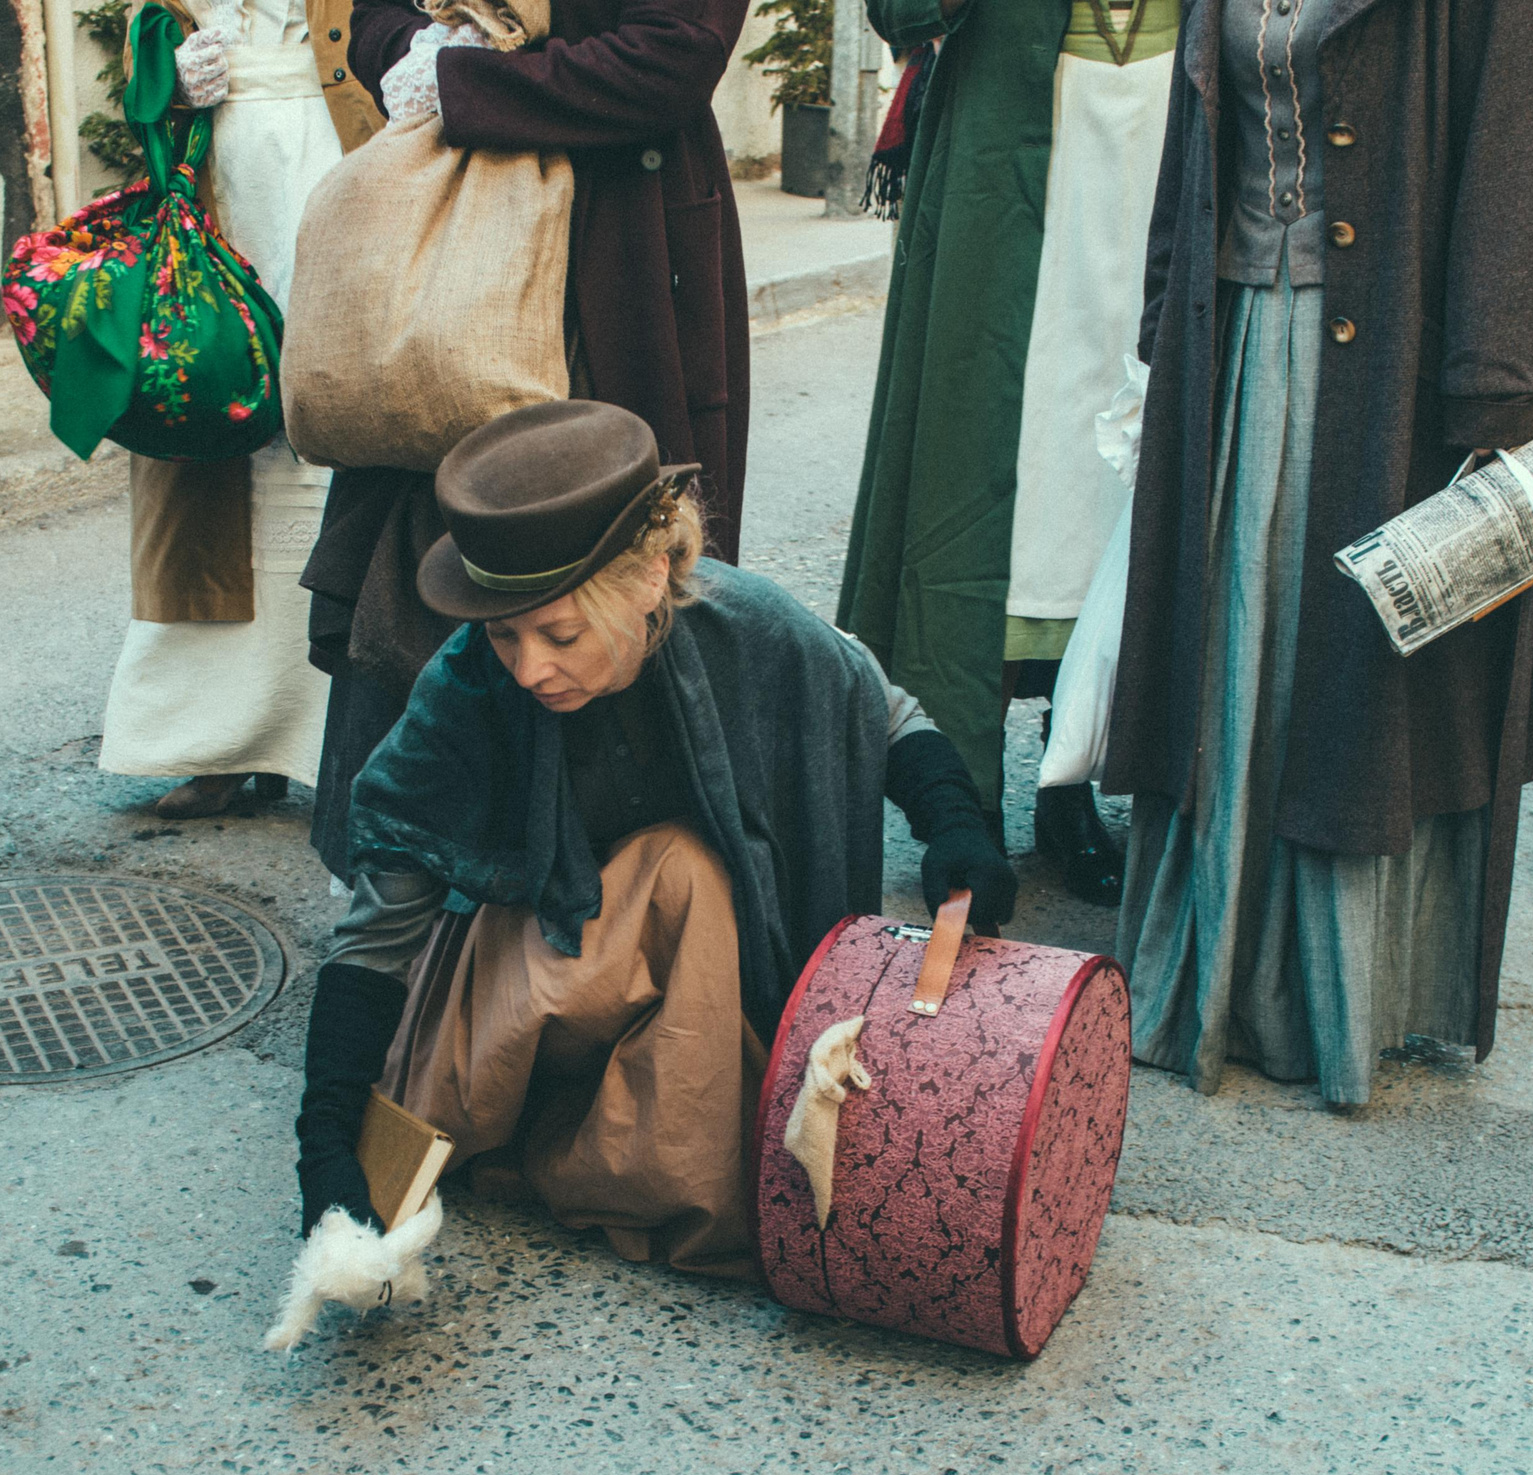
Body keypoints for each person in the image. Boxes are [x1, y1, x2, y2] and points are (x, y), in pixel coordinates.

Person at [289, 402, 1012, 1272]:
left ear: (652, 577)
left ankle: (621, 1140)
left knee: (691, 876)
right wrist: (325, 1141)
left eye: (559, 633)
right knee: (685, 876)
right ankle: (616, 1151)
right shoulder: (469, 687)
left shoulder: (745, 625)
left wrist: (957, 828)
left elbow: (885, 715)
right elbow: (377, 935)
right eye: (505, 633)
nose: (528, 669)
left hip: (689, 988)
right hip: (518, 994)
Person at [1104, 0, 1533, 1107]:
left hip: (1387, 358)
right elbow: (1196, 126)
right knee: (1226, 653)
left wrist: (1492, 384)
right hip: (1237, 336)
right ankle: (1204, 972)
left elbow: (1514, 156)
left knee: (1352, 679)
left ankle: (1330, 998)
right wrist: (1168, 305)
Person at [302, 0, 753, 877]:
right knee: (422, 555)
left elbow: (676, 53)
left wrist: (467, 82)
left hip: (614, 236)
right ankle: (409, 905)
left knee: (593, 567)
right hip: (447, 249)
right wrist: (415, 51)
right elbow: (373, 14)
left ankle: (606, 906)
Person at [836, 0, 1182, 912]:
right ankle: (965, 801)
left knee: (1123, 472)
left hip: (1167, 139)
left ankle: (1068, 793)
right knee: (993, 480)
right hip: (1010, 163)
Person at [96, 0, 356, 821]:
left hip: (340, 196)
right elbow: (144, 81)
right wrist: (167, 83)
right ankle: (222, 745)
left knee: (338, 459)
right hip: (220, 221)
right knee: (216, 478)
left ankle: (337, 745)